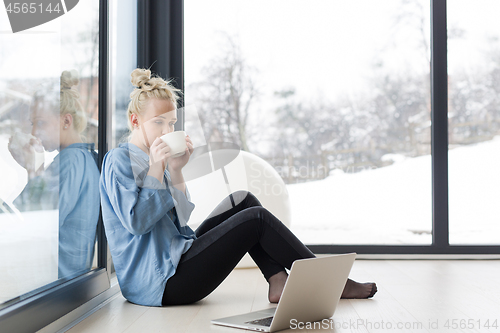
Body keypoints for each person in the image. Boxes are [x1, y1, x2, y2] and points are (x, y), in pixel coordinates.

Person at [99, 68, 377, 307]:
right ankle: (331, 282)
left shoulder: (157, 158)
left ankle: (277, 280)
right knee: (256, 219)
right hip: (160, 284)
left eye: (171, 123)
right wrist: (158, 169)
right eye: (158, 123)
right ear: (135, 121)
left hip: (176, 258)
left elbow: (181, 219)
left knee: (244, 200)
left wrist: (176, 169)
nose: (166, 130)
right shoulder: (119, 161)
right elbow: (136, 223)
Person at [8, 70, 100, 279]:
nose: (34, 132)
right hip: (69, 280)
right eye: (32, 124)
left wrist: (33, 169)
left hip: (56, 282)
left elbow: (36, 223)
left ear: (66, 121)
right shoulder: (84, 157)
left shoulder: (70, 162)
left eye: (40, 123)